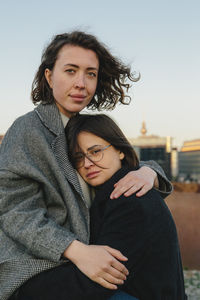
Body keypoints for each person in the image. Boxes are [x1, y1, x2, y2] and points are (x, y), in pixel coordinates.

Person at [0, 31, 172, 300]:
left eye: (90, 73)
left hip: (82, 266)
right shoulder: (28, 130)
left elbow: (121, 154)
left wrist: (151, 172)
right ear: (49, 76)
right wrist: (77, 250)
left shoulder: (82, 126)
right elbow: (15, 211)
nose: (81, 83)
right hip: (37, 270)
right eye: (70, 71)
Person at [65, 113, 187, 300]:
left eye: (96, 151)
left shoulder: (128, 198)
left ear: (120, 150)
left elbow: (101, 281)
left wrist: (29, 286)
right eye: (79, 157)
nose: (87, 164)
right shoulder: (119, 189)